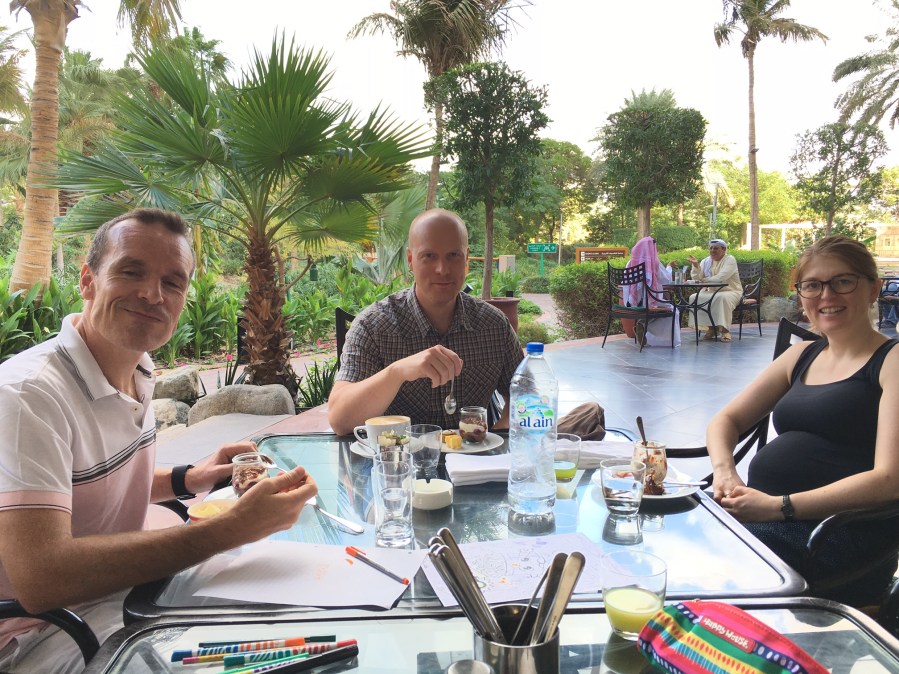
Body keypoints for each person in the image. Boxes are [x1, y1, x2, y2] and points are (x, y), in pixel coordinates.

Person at [0, 209, 317, 673]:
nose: (153, 294)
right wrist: (229, 530)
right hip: (38, 633)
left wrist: (190, 478)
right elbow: (41, 578)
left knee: (285, 618)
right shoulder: (28, 395)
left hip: (115, 594)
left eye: (172, 282)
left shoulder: (138, 368)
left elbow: (86, 485)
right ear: (88, 280)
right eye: (131, 272)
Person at [706, 235, 899, 606]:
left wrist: (779, 506)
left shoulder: (892, 362)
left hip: (834, 535)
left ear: (873, 289)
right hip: (765, 516)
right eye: (812, 285)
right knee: (661, 529)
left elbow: (890, 481)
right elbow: (726, 419)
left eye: (843, 281)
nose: (826, 295)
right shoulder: (802, 355)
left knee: (696, 566)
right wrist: (725, 472)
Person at [328, 209, 523, 435]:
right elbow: (340, 420)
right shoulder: (373, 326)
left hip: (474, 454)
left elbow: (529, 394)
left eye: (453, 255)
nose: (442, 269)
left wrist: (501, 434)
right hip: (399, 455)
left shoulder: (493, 325)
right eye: (429, 256)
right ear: (411, 260)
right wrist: (397, 372)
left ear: (466, 258)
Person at [682, 239, 742, 342]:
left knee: (722, 298)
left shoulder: (730, 259)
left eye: (716, 248)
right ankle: (711, 328)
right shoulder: (706, 261)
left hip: (731, 291)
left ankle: (725, 331)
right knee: (695, 297)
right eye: (711, 248)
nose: (712, 251)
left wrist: (704, 280)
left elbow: (721, 277)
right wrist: (696, 266)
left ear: (723, 249)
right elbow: (697, 278)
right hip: (712, 291)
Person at [625, 237, 681, 348]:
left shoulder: (630, 263)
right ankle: (644, 325)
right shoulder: (654, 263)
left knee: (660, 310)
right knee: (674, 310)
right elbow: (666, 280)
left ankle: (643, 324)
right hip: (651, 301)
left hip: (633, 302)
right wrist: (669, 267)